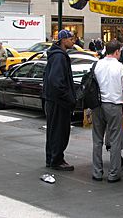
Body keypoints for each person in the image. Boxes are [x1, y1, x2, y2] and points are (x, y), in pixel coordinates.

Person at [92, 40, 123, 182]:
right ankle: (113, 173)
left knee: (97, 140)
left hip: (97, 105)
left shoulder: (97, 65)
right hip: (114, 106)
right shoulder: (121, 68)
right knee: (115, 140)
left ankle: (97, 172)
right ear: (117, 52)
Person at [43, 29, 77, 171]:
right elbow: (56, 81)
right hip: (58, 102)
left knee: (53, 131)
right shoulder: (59, 57)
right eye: (71, 38)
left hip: (53, 100)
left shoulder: (56, 55)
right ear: (63, 40)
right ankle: (57, 160)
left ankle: (52, 158)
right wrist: (68, 98)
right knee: (59, 132)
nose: (73, 41)